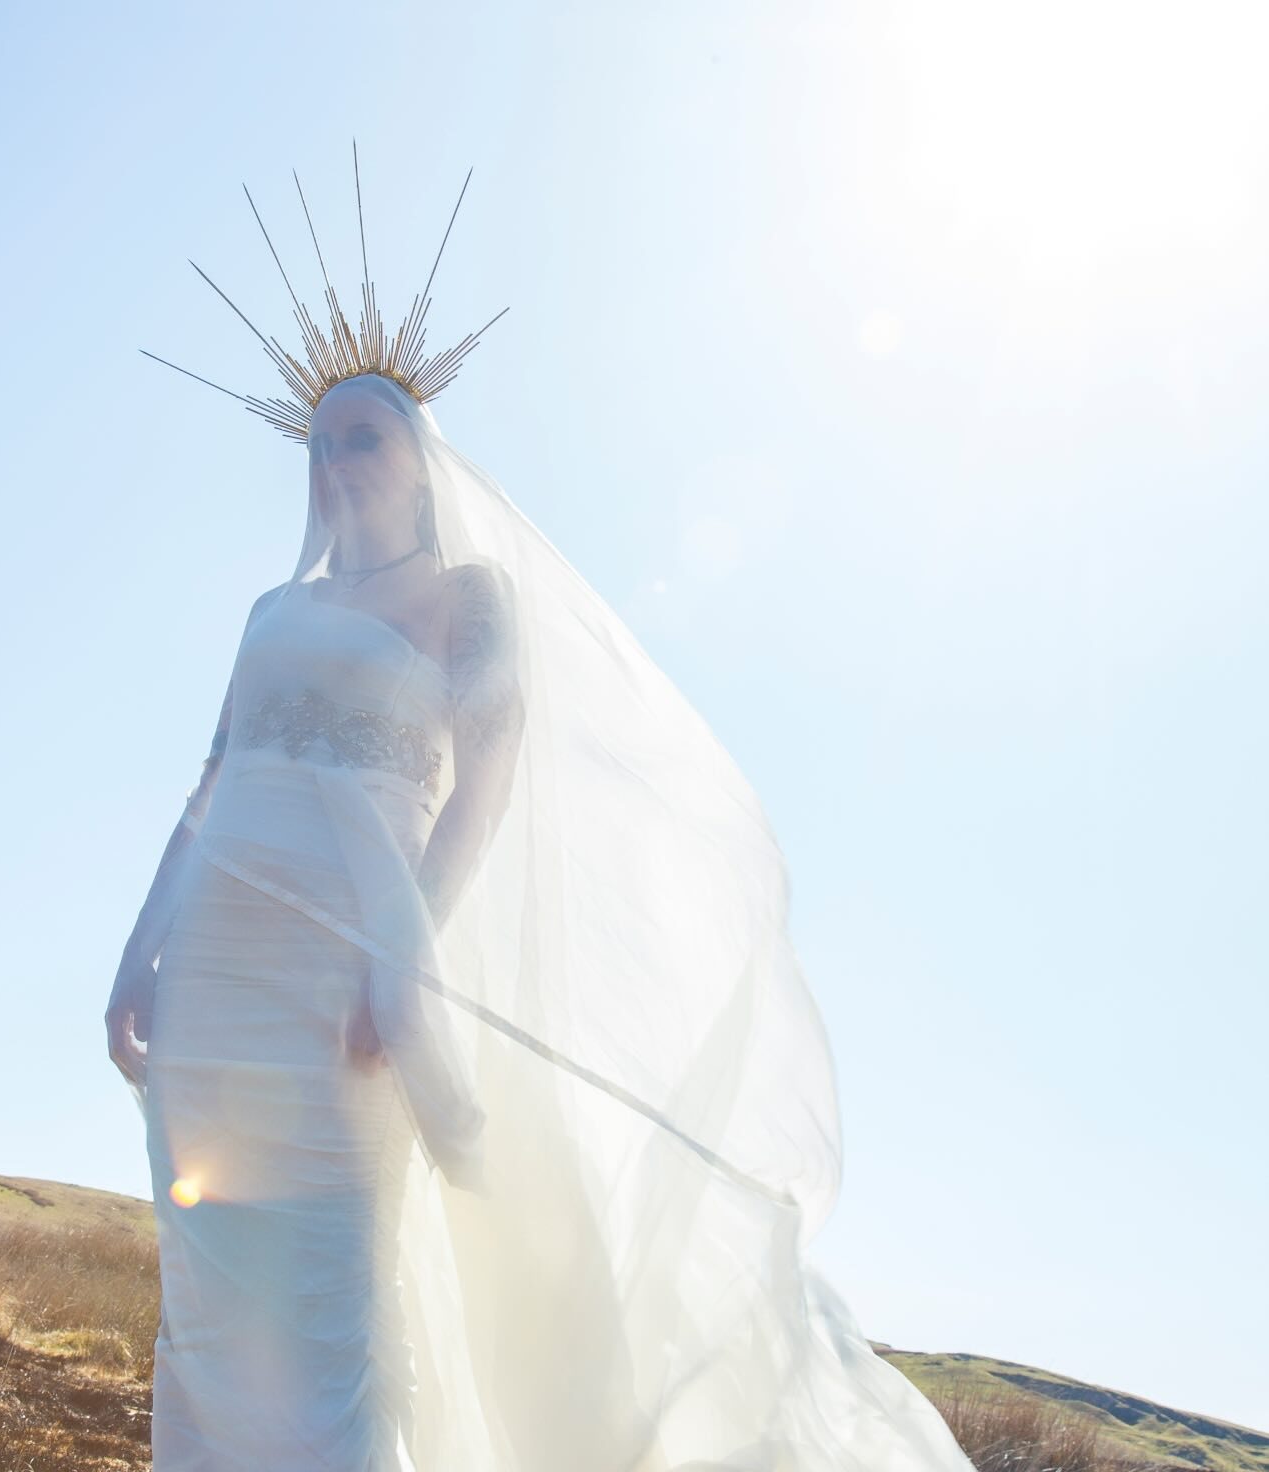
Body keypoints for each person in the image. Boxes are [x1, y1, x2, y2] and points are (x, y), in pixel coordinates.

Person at [107, 165, 982, 1472]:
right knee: (211, 1315)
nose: (340, 462)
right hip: (213, 976)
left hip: (347, 970)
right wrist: (137, 959)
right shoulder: (270, 613)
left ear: (420, 458)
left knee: (333, 1309)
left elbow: (484, 793)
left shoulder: (467, 601)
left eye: (366, 437)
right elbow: (208, 787)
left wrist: (399, 968)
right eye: (323, 444)